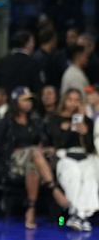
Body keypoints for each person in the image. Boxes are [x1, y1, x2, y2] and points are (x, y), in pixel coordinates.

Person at [0, 87, 64, 229]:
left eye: (30, 100)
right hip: (13, 162)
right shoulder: (7, 121)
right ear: (16, 102)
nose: (29, 103)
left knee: (33, 165)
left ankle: (31, 210)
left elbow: (44, 141)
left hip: (34, 162)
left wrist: (46, 148)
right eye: (25, 100)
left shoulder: (35, 119)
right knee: (34, 152)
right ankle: (53, 188)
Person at [46, 89, 97, 231]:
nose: (73, 103)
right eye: (70, 99)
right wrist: (69, 130)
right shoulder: (55, 119)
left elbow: (90, 147)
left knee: (89, 178)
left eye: (77, 100)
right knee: (73, 175)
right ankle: (75, 214)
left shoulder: (86, 121)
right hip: (65, 156)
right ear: (64, 101)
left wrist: (85, 132)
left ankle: (81, 216)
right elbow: (58, 143)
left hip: (85, 156)